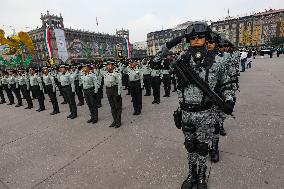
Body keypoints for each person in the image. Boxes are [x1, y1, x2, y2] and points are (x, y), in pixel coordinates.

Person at [153, 22, 235, 189]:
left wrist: (229, 100)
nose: (196, 40)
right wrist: (172, 42)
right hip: (186, 113)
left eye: (200, 37)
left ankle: (202, 177)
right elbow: (154, 63)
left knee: (203, 148)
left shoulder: (217, 61)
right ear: (188, 40)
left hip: (206, 114)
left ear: (206, 38)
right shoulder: (180, 60)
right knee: (190, 146)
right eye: (192, 38)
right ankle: (192, 174)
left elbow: (226, 84)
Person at [103, 61, 122, 128]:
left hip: (115, 90)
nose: (107, 66)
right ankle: (114, 120)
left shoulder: (117, 73)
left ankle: (118, 122)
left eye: (109, 65)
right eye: (107, 65)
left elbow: (120, 84)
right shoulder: (106, 73)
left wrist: (119, 93)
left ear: (113, 66)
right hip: (108, 90)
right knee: (112, 107)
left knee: (118, 107)